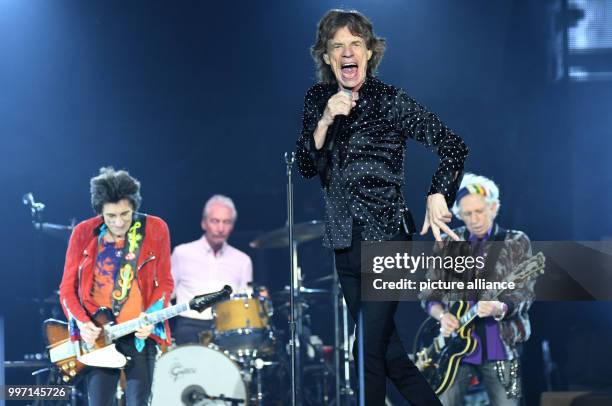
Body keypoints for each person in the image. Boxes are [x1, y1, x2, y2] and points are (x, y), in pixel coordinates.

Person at [295, 9, 468, 405]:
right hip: (344, 242)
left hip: (387, 238)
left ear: (370, 53)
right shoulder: (318, 100)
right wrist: (324, 120)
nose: (347, 53)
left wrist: (438, 192)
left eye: (355, 44)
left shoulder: (390, 101)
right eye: (337, 46)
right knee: (391, 356)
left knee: (366, 353)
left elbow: (453, 146)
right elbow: (306, 164)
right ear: (326, 57)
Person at [59, 167, 173, 406]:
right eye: (111, 216)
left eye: (125, 214)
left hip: (139, 331)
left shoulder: (155, 228)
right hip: (99, 334)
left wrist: (152, 316)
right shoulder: (82, 233)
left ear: (134, 207)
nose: (119, 222)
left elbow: (165, 282)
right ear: (100, 211)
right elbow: (67, 290)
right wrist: (82, 322)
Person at [422, 173, 535, 405]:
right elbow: (429, 294)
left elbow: (524, 293)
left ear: (493, 208)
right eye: (467, 214)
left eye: (479, 211)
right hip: (454, 349)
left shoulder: (516, 241)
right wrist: (442, 316)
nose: (474, 219)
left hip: (503, 349)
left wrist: (499, 306)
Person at [171, 194, 252, 345]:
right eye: (215, 221)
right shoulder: (182, 253)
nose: (221, 228)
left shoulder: (243, 260)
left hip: (226, 326)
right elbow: (168, 294)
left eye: (226, 222)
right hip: (189, 325)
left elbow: (244, 302)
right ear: (204, 223)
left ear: (232, 226)